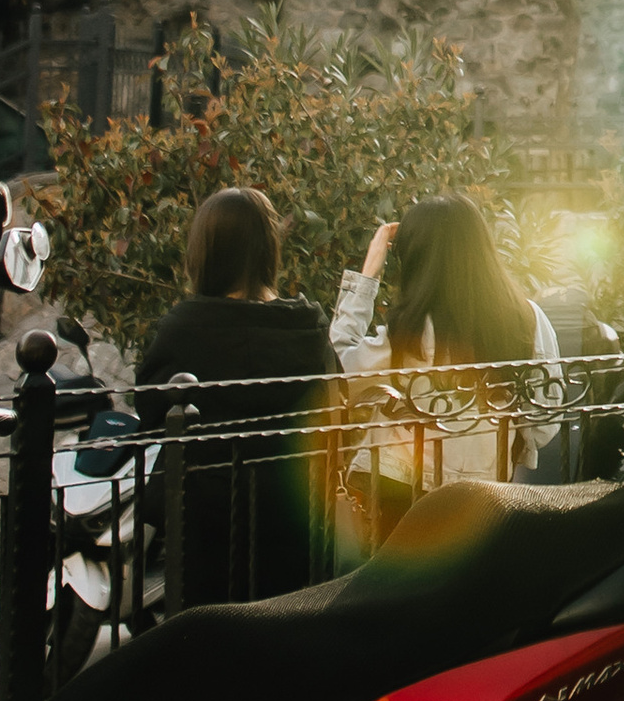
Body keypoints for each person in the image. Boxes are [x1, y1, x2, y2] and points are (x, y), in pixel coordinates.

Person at [137, 186, 340, 601]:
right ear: (269, 248)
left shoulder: (184, 329)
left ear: (205, 252)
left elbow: (150, 408)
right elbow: (336, 407)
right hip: (293, 523)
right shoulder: (308, 328)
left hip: (208, 528)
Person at [334, 195, 560, 524]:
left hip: (404, 491)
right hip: (489, 493)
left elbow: (340, 370)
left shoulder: (412, 329)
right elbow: (544, 424)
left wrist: (368, 275)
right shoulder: (529, 318)